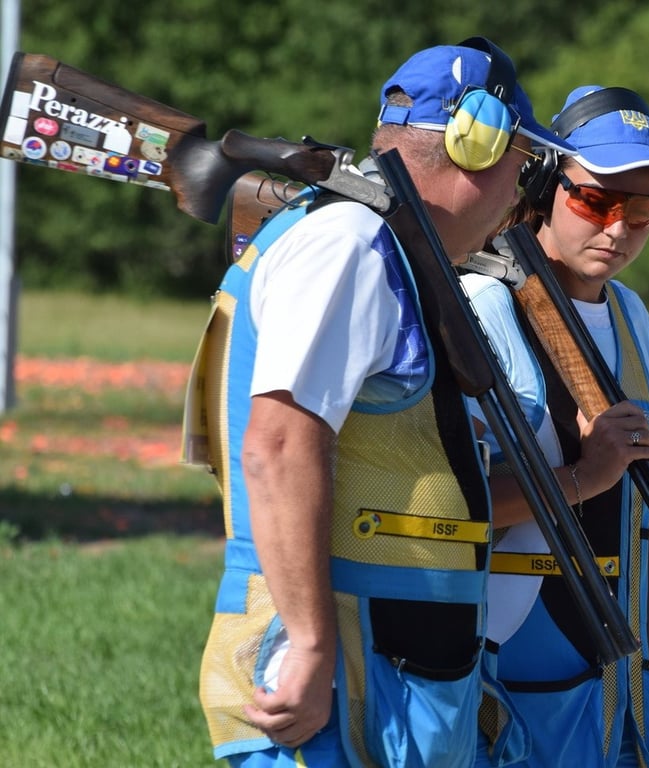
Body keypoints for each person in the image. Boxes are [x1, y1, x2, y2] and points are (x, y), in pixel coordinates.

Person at [180, 38, 576, 768]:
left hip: (387, 668)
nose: (521, 195)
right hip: (344, 668)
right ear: (478, 147)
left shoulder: (376, 245)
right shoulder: (350, 245)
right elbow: (278, 445)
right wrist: (310, 644)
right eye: (521, 165)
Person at [463, 86, 649, 767]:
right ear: (547, 185)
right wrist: (582, 477)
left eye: (643, 211)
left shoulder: (631, 316)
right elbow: (453, 505)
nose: (617, 229)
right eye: (596, 202)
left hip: (611, 653)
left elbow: (641, 504)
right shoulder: (483, 306)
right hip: (508, 647)